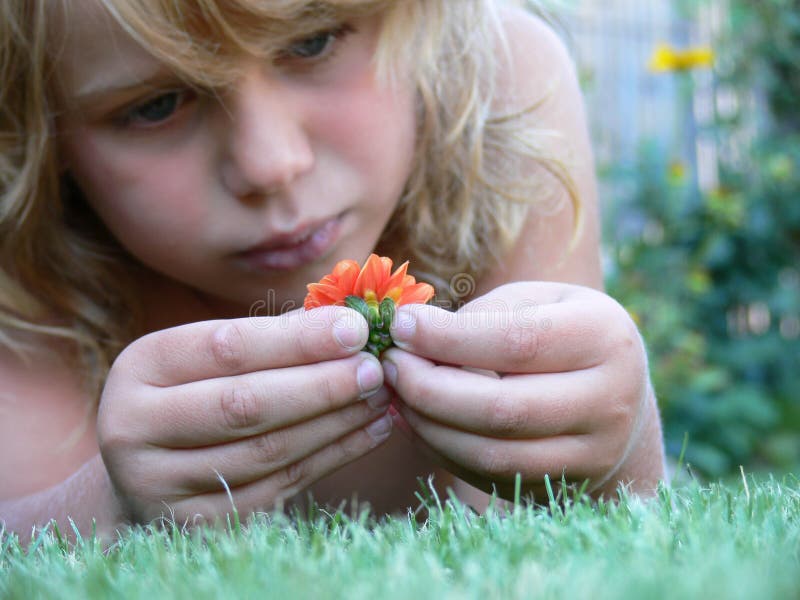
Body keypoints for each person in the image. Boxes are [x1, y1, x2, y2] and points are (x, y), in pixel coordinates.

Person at [0, 0, 665, 540]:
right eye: (155, 106)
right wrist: (107, 508)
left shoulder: (499, 82)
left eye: (312, 41)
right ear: (37, 132)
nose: (271, 163)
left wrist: (621, 445)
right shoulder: (25, 234)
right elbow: (17, 541)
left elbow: (553, 520)